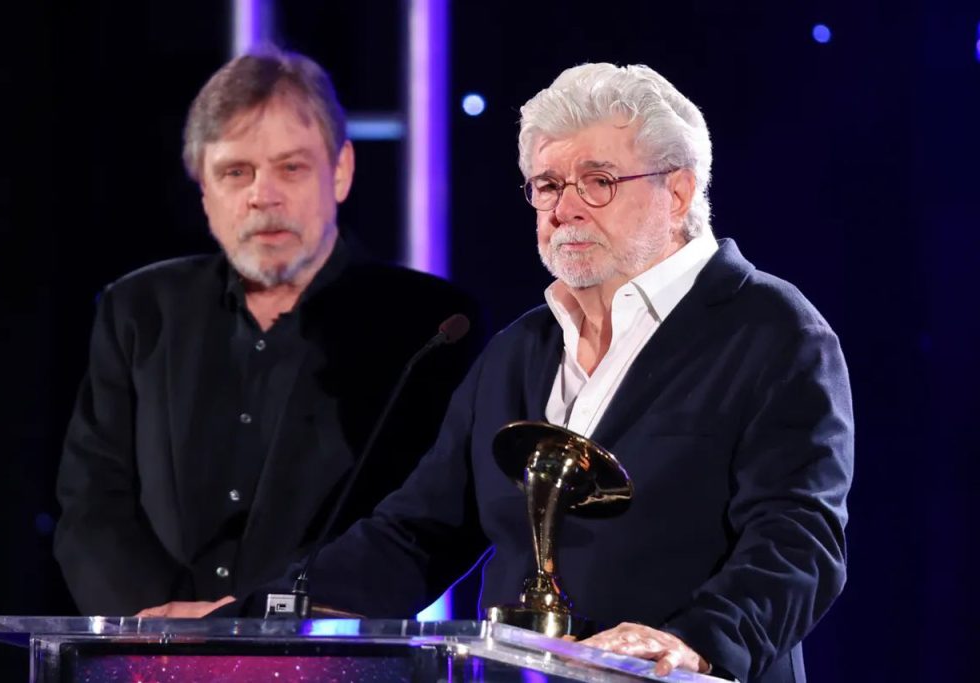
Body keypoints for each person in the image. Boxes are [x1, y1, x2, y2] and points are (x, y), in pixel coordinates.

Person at [166, 62, 854, 683]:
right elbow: (416, 534)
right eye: (547, 185)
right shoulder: (520, 349)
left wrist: (694, 642)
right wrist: (245, 623)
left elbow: (799, 542)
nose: (564, 207)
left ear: (678, 192)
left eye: (599, 182)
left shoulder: (771, 331)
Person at [53, 49, 481, 617]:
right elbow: (91, 502)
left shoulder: (427, 325)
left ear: (341, 171)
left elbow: (434, 525)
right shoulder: (138, 310)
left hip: (331, 653)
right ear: (203, 189)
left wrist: (255, 619)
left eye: (291, 168)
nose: (263, 195)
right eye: (236, 172)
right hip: (152, 651)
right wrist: (163, 629)